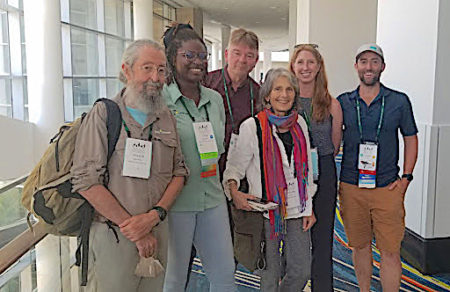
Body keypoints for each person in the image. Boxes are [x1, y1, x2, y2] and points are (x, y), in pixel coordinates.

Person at [70, 39, 188, 292]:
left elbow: (180, 172)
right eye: (147, 68)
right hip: (115, 236)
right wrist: (135, 229)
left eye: (160, 70)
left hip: (158, 233)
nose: (155, 77)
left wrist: (154, 216)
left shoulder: (166, 116)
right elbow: (85, 180)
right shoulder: (104, 114)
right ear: (127, 70)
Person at [223, 68, 317, 291]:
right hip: (266, 211)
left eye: (289, 90)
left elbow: (308, 171)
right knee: (269, 275)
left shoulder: (300, 123)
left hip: (297, 209)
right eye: (277, 89)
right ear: (267, 95)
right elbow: (234, 169)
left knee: (301, 270)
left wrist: (309, 208)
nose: (283, 95)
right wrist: (235, 193)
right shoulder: (251, 127)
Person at [161, 24, 236, 292]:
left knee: (225, 275)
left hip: (212, 198)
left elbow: (220, 147)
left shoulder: (215, 100)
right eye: (189, 56)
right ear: (173, 59)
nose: (197, 62)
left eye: (202, 57)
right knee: (174, 279)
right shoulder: (161, 101)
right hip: (176, 203)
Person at [337, 44, 418, 291]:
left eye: (374, 61)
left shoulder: (399, 101)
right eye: (363, 61)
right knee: (360, 246)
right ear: (356, 67)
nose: (369, 67)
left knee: (390, 251)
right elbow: (331, 140)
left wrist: (406, 178)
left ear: (382, 66)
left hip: (387, 187)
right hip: (352, 186)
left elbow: (411, 138)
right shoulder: (343, 102)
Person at [289, 44, 343, 291]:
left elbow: (334, 145)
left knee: (322, 239)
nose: (305, 67)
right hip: (291, 172)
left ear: (319, 67)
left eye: (311, 62)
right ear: (293, 66)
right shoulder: (284, 101)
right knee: (293, 237)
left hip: (323, 171)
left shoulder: (331, 104)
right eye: (300, 62)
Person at [204, 28, 260, 177]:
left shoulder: (259, 93)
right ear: (227, 54)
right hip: (208, 164)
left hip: (242, 169)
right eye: (237, 53)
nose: (242, 60)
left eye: (249, 55)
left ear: (255, 61)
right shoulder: (206, 84)